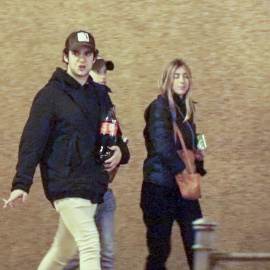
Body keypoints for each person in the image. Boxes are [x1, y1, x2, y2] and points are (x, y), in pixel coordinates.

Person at [3, 30, 129, 270]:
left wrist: (120, 151)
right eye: (75, 53)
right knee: (91, 244)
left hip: (93, 185)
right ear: (65, 57)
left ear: (94, 58)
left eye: (87, 53)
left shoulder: (101, 95)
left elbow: (115, 134)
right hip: (65, 184)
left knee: (62, 252)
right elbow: (32, 142)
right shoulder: (49, 96)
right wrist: (21, 183)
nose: (81, 59)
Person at [140, 58, 207, 270]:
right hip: (160, 188)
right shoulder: (159, 107)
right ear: (167, 80)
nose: (182, 80)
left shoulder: (186, 110)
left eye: (185, 76)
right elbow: (162, 148)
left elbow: (191, 142)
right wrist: (184, 170)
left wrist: (199, 160)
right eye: (177, 76)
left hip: (181, 188)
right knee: (159, 251)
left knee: (197, 243)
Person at [64, 57, 129, 270]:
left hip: (103, 192)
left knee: (107, 254)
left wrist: (120, 150)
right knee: (75, 254)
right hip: (80, 193)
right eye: (98, 71)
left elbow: (122, 147)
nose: (103, 76)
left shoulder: (108, 111)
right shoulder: (75, 109)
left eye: (105, 72)